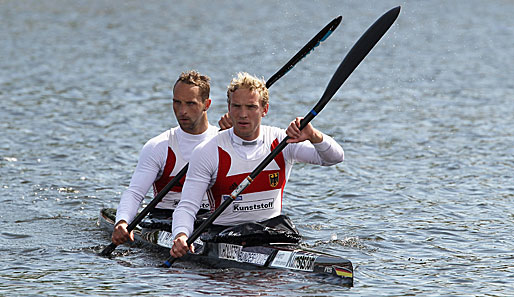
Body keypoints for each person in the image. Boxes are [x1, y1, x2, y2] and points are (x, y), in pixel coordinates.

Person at [170, 72, 344, 258]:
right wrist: (181, 235)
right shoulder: (208, 151)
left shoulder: (282, 141)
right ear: (229, 108)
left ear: (264, 109)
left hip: (272, 233)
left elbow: (334, 158)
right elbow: (187, 206)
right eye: (236, 106)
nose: (243, 114)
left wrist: (314, 136)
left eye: (251, 107)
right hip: (224, 235)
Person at [111, 70, 219, 245]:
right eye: (177, 102)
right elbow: (135, 193)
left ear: (207, 104)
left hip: (209, 218)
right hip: (165, 219)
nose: (182, 111)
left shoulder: (223, 141)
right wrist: (122, 221)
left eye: (190, 104)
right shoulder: (159, 146)